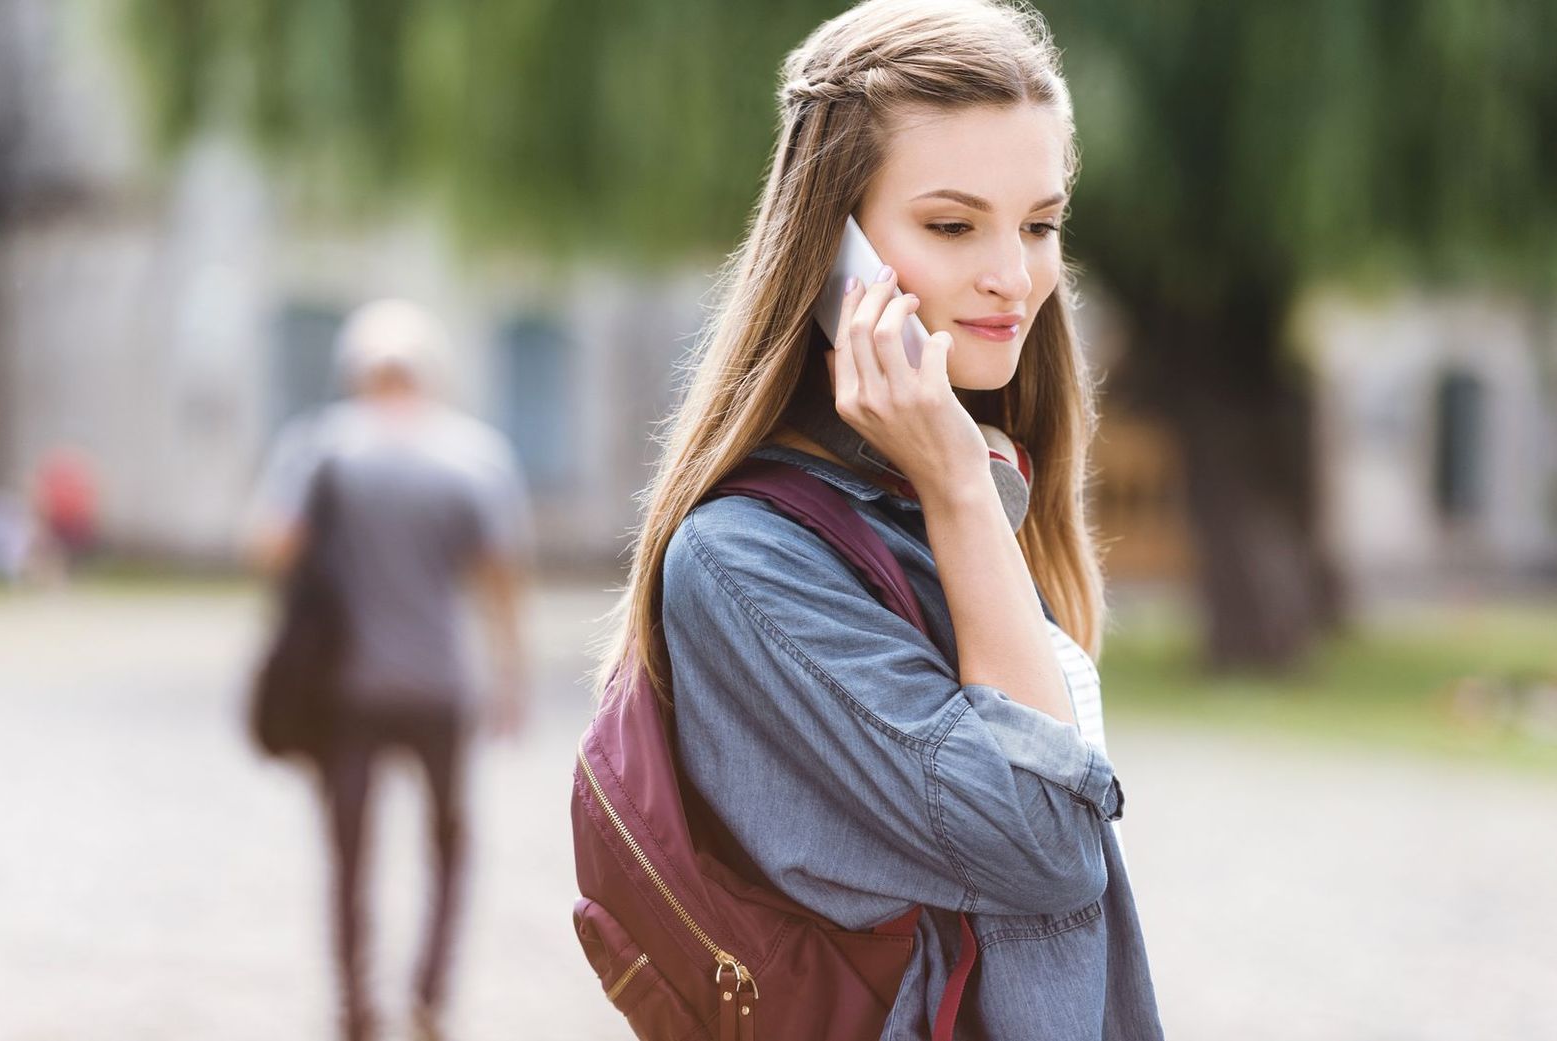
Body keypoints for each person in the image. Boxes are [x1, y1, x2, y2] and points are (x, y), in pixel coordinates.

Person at [588, 1, 1163, 1037]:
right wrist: (953, 485)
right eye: (952, 225)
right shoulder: (745, 564)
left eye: (1040, 223)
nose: (1015, 276)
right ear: (834, 254)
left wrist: (956, 486)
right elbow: (1048, 848)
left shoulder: (954, 489)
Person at [247, 299, 534, 1041]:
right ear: (430, 374)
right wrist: (511, 676)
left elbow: (270, 548)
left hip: (348, 688)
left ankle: (354, 1005)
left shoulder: (319, 447)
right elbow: (500, 578)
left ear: (355, 373)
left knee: (349, 852)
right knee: (448, 843)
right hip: (442, 683)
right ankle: (430, 993)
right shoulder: (473, 454)